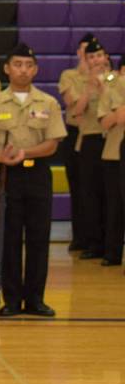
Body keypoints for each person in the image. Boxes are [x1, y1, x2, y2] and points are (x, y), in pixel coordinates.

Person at [0, 43, 66, 317]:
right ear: (7, 68)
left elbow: (52, 144)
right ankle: (11, 300)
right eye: (17, 64)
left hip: (38, 174)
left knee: (38, 237)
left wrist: (25, 153)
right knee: (9, 238)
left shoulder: (48, 102)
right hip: (8, 175)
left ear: (35, 70)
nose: (23, 70)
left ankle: (35, 299)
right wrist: (0, 157)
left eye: (28, 65)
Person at [70, 39, 111, 260]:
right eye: (92, 57)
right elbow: (76, 111)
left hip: (111, 140)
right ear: (86, 60)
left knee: (111, 194)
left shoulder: (116, 79)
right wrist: (89, 87)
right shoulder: (80, 82)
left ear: (106, 57)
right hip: (90, 139)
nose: (96, 60)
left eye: (99, 56)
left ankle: (112, 242)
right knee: (90, 193)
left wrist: (104, 85)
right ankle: (94, 242)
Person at [58, 32, 94, 251]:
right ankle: (80, 237)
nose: (88, 55)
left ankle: (99, 237)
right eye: (84, 50)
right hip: (74, 133)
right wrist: (89, 87)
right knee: (78, 187)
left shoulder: (105, 76)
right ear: (79, 52)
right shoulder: (69, 75)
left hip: (96, 135)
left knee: (97, 188)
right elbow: (72, 103)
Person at [97, 55, 125, 266]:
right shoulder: (110, 92)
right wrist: (119, 113)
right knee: (115, 206)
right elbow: (104, 122)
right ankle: (112, 252)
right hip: (114, 154)